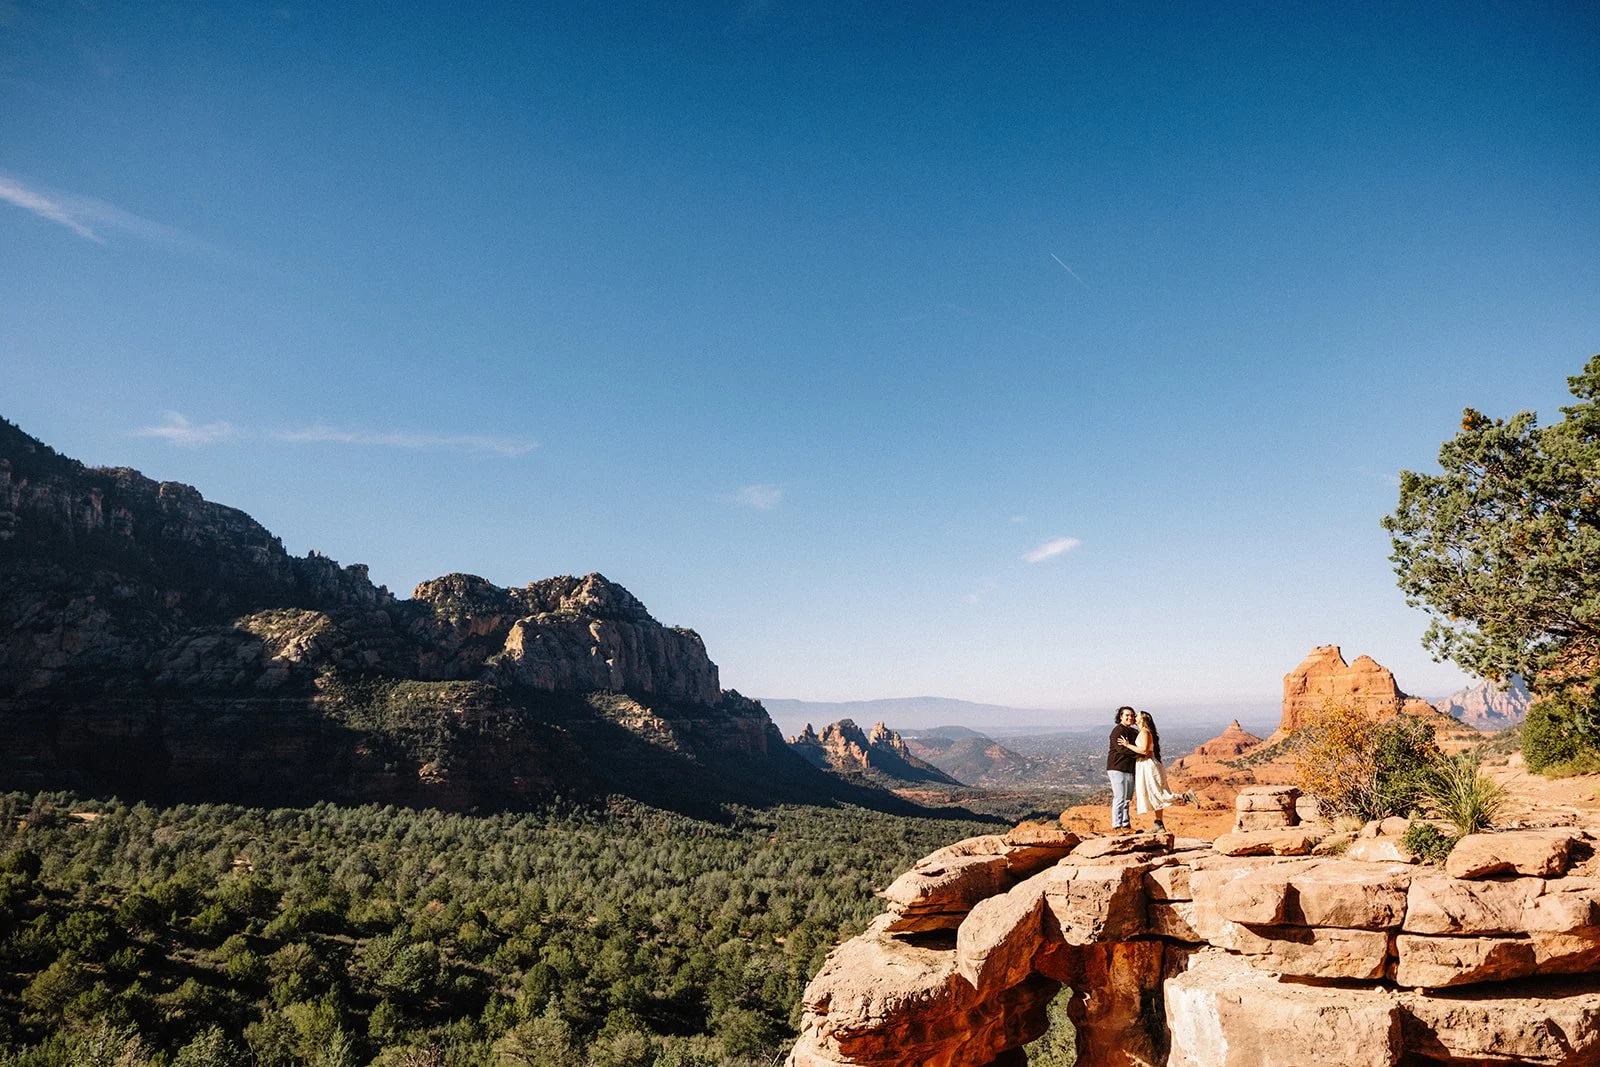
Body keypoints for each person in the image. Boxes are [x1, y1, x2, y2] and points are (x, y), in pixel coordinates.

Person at [1120, 710, 1192, 833]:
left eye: (1136, 716)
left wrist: (1127, 745)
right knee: (1153, 794)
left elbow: (1144, 751)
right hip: (1145, 765)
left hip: (1148, 766)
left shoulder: (1145, 732)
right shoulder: (1142, 732)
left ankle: (1185, 796)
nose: (1134, 717)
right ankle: (1159, 824)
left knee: (1157, 793)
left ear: (1142, 720)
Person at [1106, 706, 1139, 831]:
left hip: (1130, 768)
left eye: (1132, 715)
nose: (1130, 717)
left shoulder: (1134, 732)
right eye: (1127, 715)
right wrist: (1140, 754)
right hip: (1117, 767)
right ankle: (1116, 826)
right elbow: (1122, 749)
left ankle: (1125, 824)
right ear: (1121, 716)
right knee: (1119, 797)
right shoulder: (1118, 731)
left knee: (1127, 799)